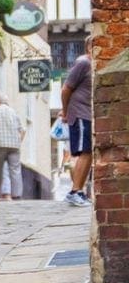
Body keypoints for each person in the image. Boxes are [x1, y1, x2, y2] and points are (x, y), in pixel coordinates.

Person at [61, 46, 93, 206]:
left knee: (89, 153)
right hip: (79, 113)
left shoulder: (93, 65)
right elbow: (66, 89)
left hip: (87, 114)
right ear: (90, 47)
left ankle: (79, 191)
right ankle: (74, 192)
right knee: (85, 152)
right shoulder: (83, 63)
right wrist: (65, 113)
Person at [0, 93, 25, 200]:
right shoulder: (13, 112)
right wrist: (18, 141)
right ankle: (16, 195)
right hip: (14, 146)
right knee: (15, 170)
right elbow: (22, 130)